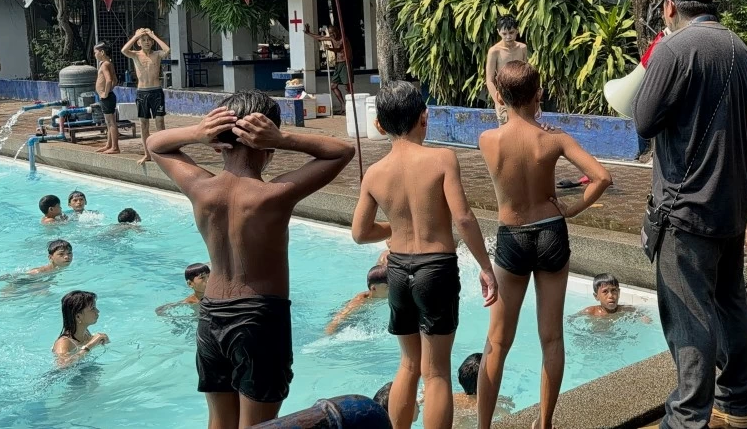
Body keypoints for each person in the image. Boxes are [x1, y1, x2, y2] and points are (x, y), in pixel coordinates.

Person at [147, 90, 354, 428]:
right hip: (258, 319)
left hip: (210, 316)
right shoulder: (272, 195)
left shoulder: (201, 188)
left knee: (219, 422)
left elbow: (156, 144)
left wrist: (196, 133)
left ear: (217, 144)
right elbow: (342, 152)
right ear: (268, 146)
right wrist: (284, 138)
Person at [632, 0, 747, 429]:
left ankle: (687, 419)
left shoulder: (673, 48)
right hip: (731, 201)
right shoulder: (740, 49)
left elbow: (643, 122)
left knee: (688, 317)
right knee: (729, 301)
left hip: (685, 206)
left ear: (669, 7)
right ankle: (737, 400)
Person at [350, 81, 498, 429]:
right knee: (437, 374)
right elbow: (462, 217)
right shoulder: (441, 159)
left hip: (398, 270)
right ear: (424, 118)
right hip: (436, 269)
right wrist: (486, 267)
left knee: (408, 366)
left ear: (379, 126)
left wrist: (395, 230)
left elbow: (359, 233)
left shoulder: (374, 173)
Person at [476, 61, 612, 429]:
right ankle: (545, 423)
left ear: (500, 96)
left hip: (513, 236)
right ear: (538, 94)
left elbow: (509, 124)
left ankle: (483, 426)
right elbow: (602, 177)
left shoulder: (488, 140)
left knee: (497, 342)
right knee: (551, 338)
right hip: (552, 232)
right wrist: (572, 207)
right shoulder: (554, 139)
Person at [121, 27, 171, 164]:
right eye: (144, 40)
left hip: (156, 91)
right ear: (139, 42)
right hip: (142, 92)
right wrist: (136, 36)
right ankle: (147, 154)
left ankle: (163, 152)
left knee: (160, 121)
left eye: (148, 40)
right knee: (144, 124)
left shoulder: (156, 54)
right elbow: (124, 50)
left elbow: (167, 50)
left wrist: (153, 36)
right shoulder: (136, 54)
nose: (147, 42)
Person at [484, 16, 529, 125]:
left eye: (511, 32)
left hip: (521, 94)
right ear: (499, 32)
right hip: (503, 94)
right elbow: (489, 80)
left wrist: (532, 98)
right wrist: (498, 102)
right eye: (504, 34)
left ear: (517, 31)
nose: (508, 37)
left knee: (523, 127)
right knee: (505, 127)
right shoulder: (494, 51)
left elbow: (526, 73)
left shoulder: (522, 48)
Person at [324, 263, 390, 335]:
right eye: (387, 287)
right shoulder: (360, 302)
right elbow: (336, 321)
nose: (392, 289)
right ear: (374, 288)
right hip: (348, 320)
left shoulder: (385, 293)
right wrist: (328, 337)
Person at [53, 290, 110, 367]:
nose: (97, 311)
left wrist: (99, 339)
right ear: (78, 316)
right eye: (93, 308)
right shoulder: (64, 342)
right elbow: (62, 365)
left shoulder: (85, 332)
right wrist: (91, 344)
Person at [310, 25, 351, 114]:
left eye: (333, 32)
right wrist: (308, 33)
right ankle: (343, 105)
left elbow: (339, 48)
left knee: (348, 87)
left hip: (345, 63)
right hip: (338, 63)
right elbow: (320, 37)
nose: (332, 35)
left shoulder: (343, 38)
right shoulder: (331, 38)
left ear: (338, 31)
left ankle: (351, 107)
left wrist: (330, 48)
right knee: (333, 86)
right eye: (331, 33)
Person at [94, 42, 120, 155]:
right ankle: (109, 145)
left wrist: (105, 93)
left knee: (111, 123)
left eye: (96, 52)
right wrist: (109, 90)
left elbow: (109, 80)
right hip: (109, 96)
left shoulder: (105, 65)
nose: (95, 55)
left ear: (102, 52)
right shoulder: (109, 63)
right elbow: (115, 80)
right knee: (109, 122)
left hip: (107, 98)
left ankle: (115, 147)